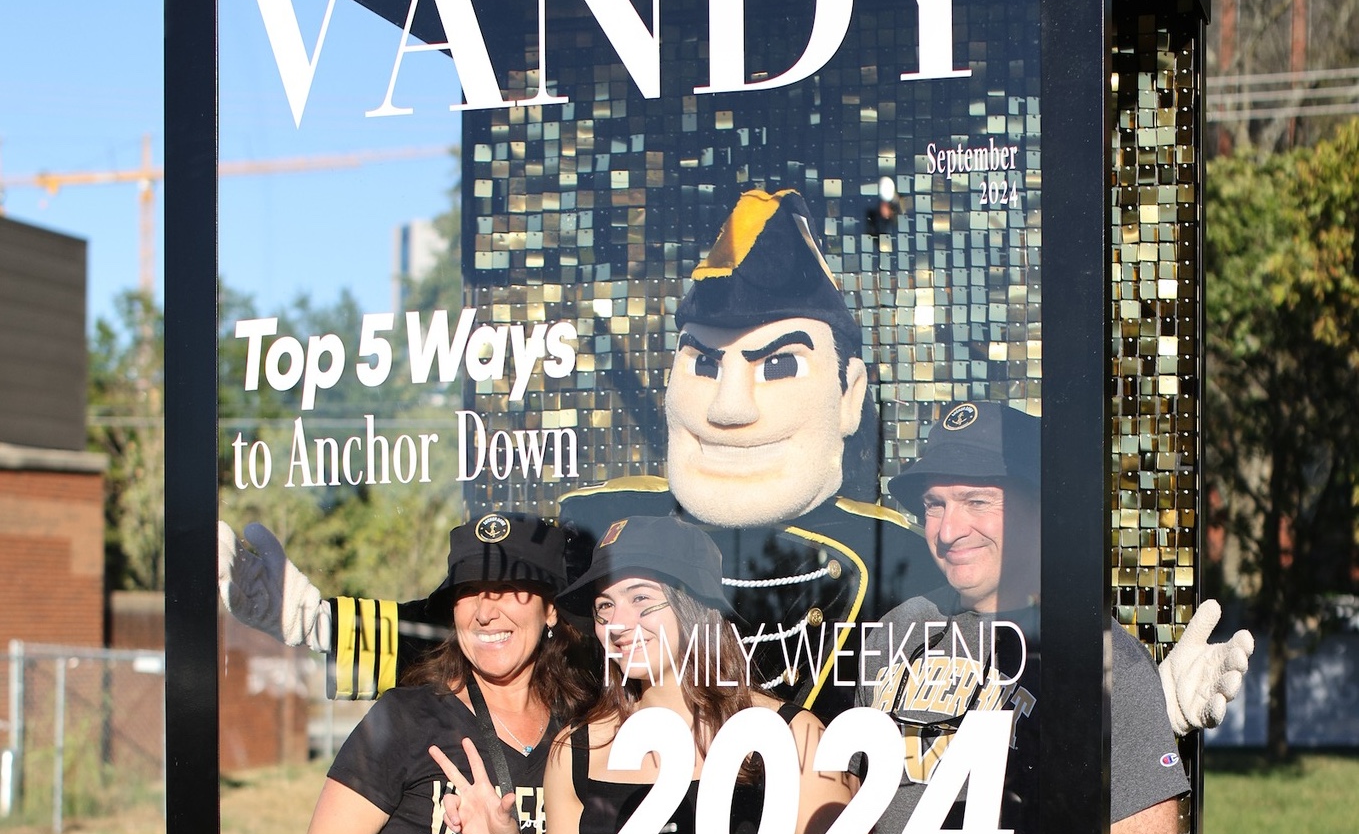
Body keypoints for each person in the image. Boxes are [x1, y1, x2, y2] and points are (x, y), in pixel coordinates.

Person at [219, 188, 1249, 727]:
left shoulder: (904, 548)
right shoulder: (593, 514)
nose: (731, 398)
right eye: (705, 362)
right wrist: (307, 617)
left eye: (778, 361)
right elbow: (469, 625)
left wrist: (1151, 694)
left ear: (849, 395)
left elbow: (1026, 640)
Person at [861, 402, 1231, 834]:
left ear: (1040, 507)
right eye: (934, 505)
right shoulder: (900, 631)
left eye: (977, 502)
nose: (947, 530)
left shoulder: (1099, 658)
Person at [429, 515, 853, 834]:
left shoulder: (794, 737)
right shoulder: (579, 749)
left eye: (641, 599)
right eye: (604, 606)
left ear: (696, 604)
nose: (618, 623)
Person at [295, 513, 595, 834]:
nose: (485, 613)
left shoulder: (580, 731)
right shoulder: (405, 717)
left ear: (550, 610)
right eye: (469, 591)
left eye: (508, 590)